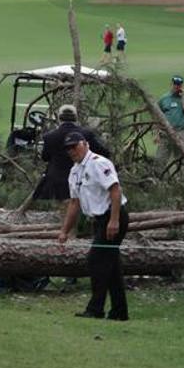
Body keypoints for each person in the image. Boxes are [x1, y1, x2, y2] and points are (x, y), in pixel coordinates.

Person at [57, 133, 130, 320]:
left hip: (112, 215)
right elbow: (74, 203)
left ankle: (95, 308)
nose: (72, 151)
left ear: (85, 144)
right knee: (112, 266)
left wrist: (114, 221)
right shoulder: (74, 172)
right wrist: (65, 231)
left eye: (75, 146)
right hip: (98, 219)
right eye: (68, 148)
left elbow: (115, 190)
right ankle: (119, 311)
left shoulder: (99, 163)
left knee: (96, 260)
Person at [35, 104, 110, 202]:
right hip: (83, 181)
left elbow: (45, 157)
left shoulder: (49, 137)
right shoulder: (87, 134)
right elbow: (104, 153)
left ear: (59, 118)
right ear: (76, 117)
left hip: (56, 184)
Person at [156, 76, 184, 164]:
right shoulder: (164, 98)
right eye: (175, 85)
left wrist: (183, 97)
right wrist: (157, 133)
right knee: (160, 158)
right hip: (166, 132)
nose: (177, 87)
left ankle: (179, 176)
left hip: (180, 132)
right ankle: (158, 175)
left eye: (179, 85)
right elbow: (158, 116)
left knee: (180, 159)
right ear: (171, 84)